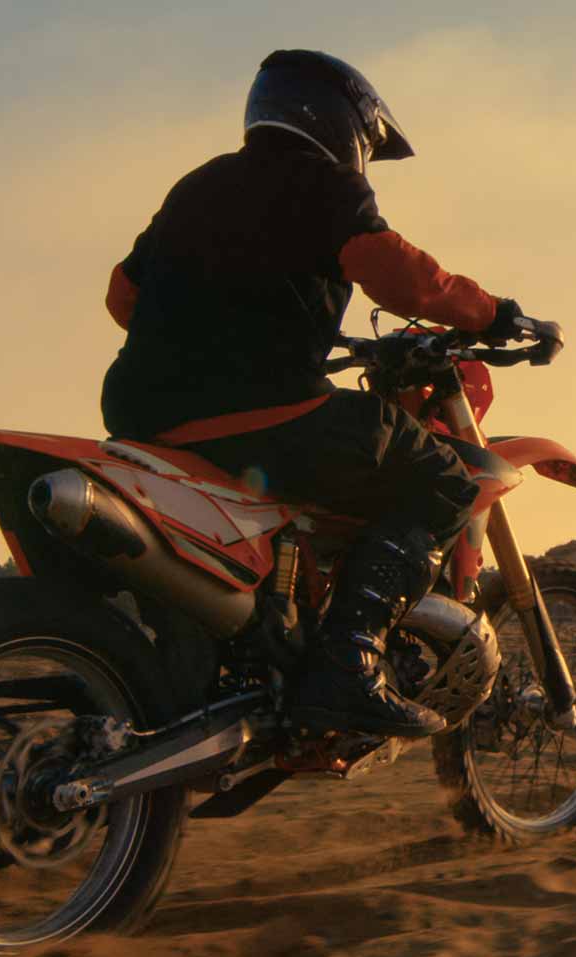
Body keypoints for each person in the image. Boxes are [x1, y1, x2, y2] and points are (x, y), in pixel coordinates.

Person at [100, 49, 524, 739]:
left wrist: (221, 327)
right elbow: (402, 277)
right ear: (343, 128)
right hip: (259, 416)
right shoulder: (323, 185)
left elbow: (124, 296)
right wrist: (497, 313)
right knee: (443, 478)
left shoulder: (197, 186)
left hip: (141, 415)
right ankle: (348, 664)